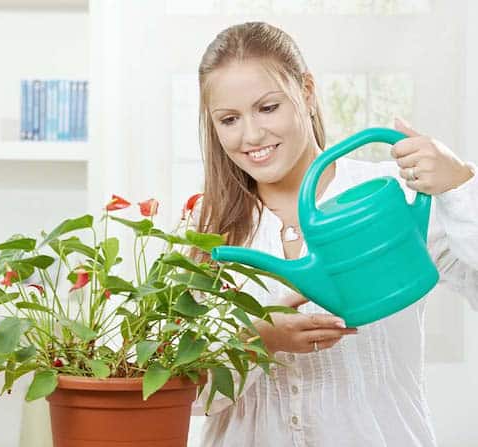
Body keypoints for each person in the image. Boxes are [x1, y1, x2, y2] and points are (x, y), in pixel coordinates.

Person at [188, 22, 478, 446]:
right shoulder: (206, 226)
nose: (250, 135)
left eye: (268, 108)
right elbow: (188, 395)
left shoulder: (389, 196)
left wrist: (460, 185)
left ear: (306, 91)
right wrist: (256, 340)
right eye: (229, 119)